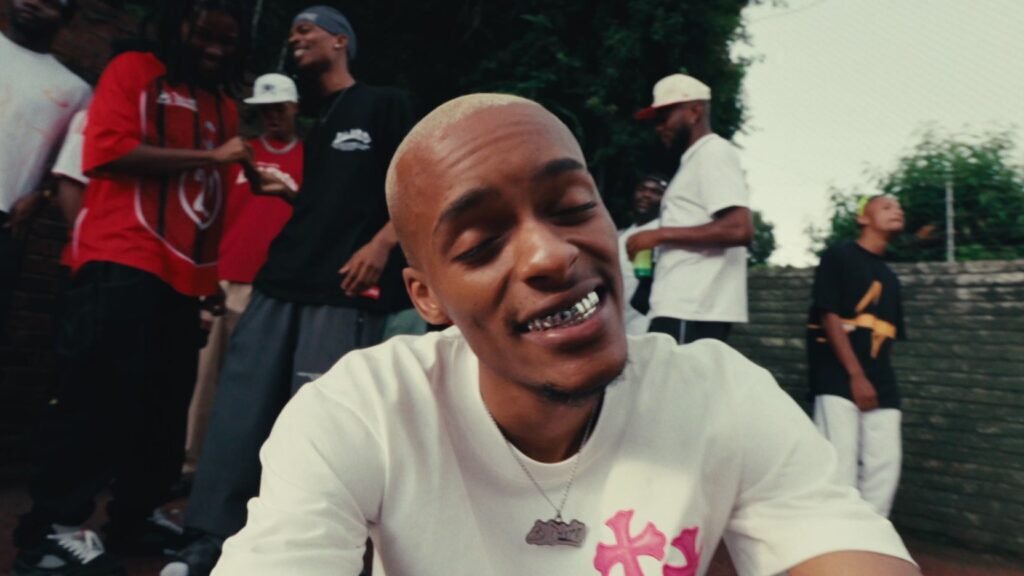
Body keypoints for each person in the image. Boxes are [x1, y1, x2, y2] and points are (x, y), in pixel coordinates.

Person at [213, 93, 920, 576]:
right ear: (426, 297)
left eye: (574, 207)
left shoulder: (720, 395)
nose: (550, 255)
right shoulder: (361, 410)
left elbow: (842, 549)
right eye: (482, 243)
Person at [164, 7, 420, 576]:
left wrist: (381, 246)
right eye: (293, 32)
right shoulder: (318, 120)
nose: (296, 37)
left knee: (317, 425)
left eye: (307, 29)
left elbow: (421, 182)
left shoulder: (384, 103)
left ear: (341, 40)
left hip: (342, 290)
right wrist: (284, 194)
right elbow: (329, 205)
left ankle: (306, 553)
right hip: (279, 280)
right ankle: (207, 542)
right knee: (238, 414)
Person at [11, 1, 251, 574]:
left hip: (181, 279)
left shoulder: (222, 105)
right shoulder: (134, 70)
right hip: (120, 259)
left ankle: (133, 517)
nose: (214, 49)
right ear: (178, 26)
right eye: (204, 35)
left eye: (227, 41)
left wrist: (206, 281)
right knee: (95, 402)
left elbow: (207, 201)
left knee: (162, 413)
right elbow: (109, 150)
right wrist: (208, 155)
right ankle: (51, 532)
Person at [184, 72, 304, 471]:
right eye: (264, 109)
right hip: (222, 275)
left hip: (272, 286)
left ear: (295, 107)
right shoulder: (238, 153)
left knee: (255, 381)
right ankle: (191, 464)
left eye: (279, 108)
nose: (272, 116)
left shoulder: (309, 157)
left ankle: (241, 468)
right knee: (203, 375)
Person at [627, 73, 753, 344]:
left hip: (692, 308)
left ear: (695, 112)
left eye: (664, 117)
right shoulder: (694, 160)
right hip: (680, 308)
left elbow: (739, 228)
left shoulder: (713, 152)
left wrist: (659, 235)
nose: (659, 127)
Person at [806, 195, 907, 518]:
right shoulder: (839, 256)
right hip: (838, 375)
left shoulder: (889, 277)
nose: (897, 210)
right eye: (887, 206)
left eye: (899, 207)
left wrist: (873, 378)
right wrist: (856, 375)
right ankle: (833, 537)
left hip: (879, 378)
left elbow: (884, 337)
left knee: (885, 466)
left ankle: (868, 536)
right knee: (839, 467)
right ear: (863, 218)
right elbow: (829, 316)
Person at [0, 0, 91, 340]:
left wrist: (42, 195)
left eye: (51, 2)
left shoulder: (75, 90)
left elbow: (67, 165)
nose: (34, 3)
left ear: (67, 18)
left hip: (7, 219)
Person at [618, 174, 666, 335]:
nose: (646, 195)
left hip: (641, 321)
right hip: (617, 317)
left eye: (656, 192)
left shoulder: (661, 232)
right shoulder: (624, 233)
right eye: (642, 189)